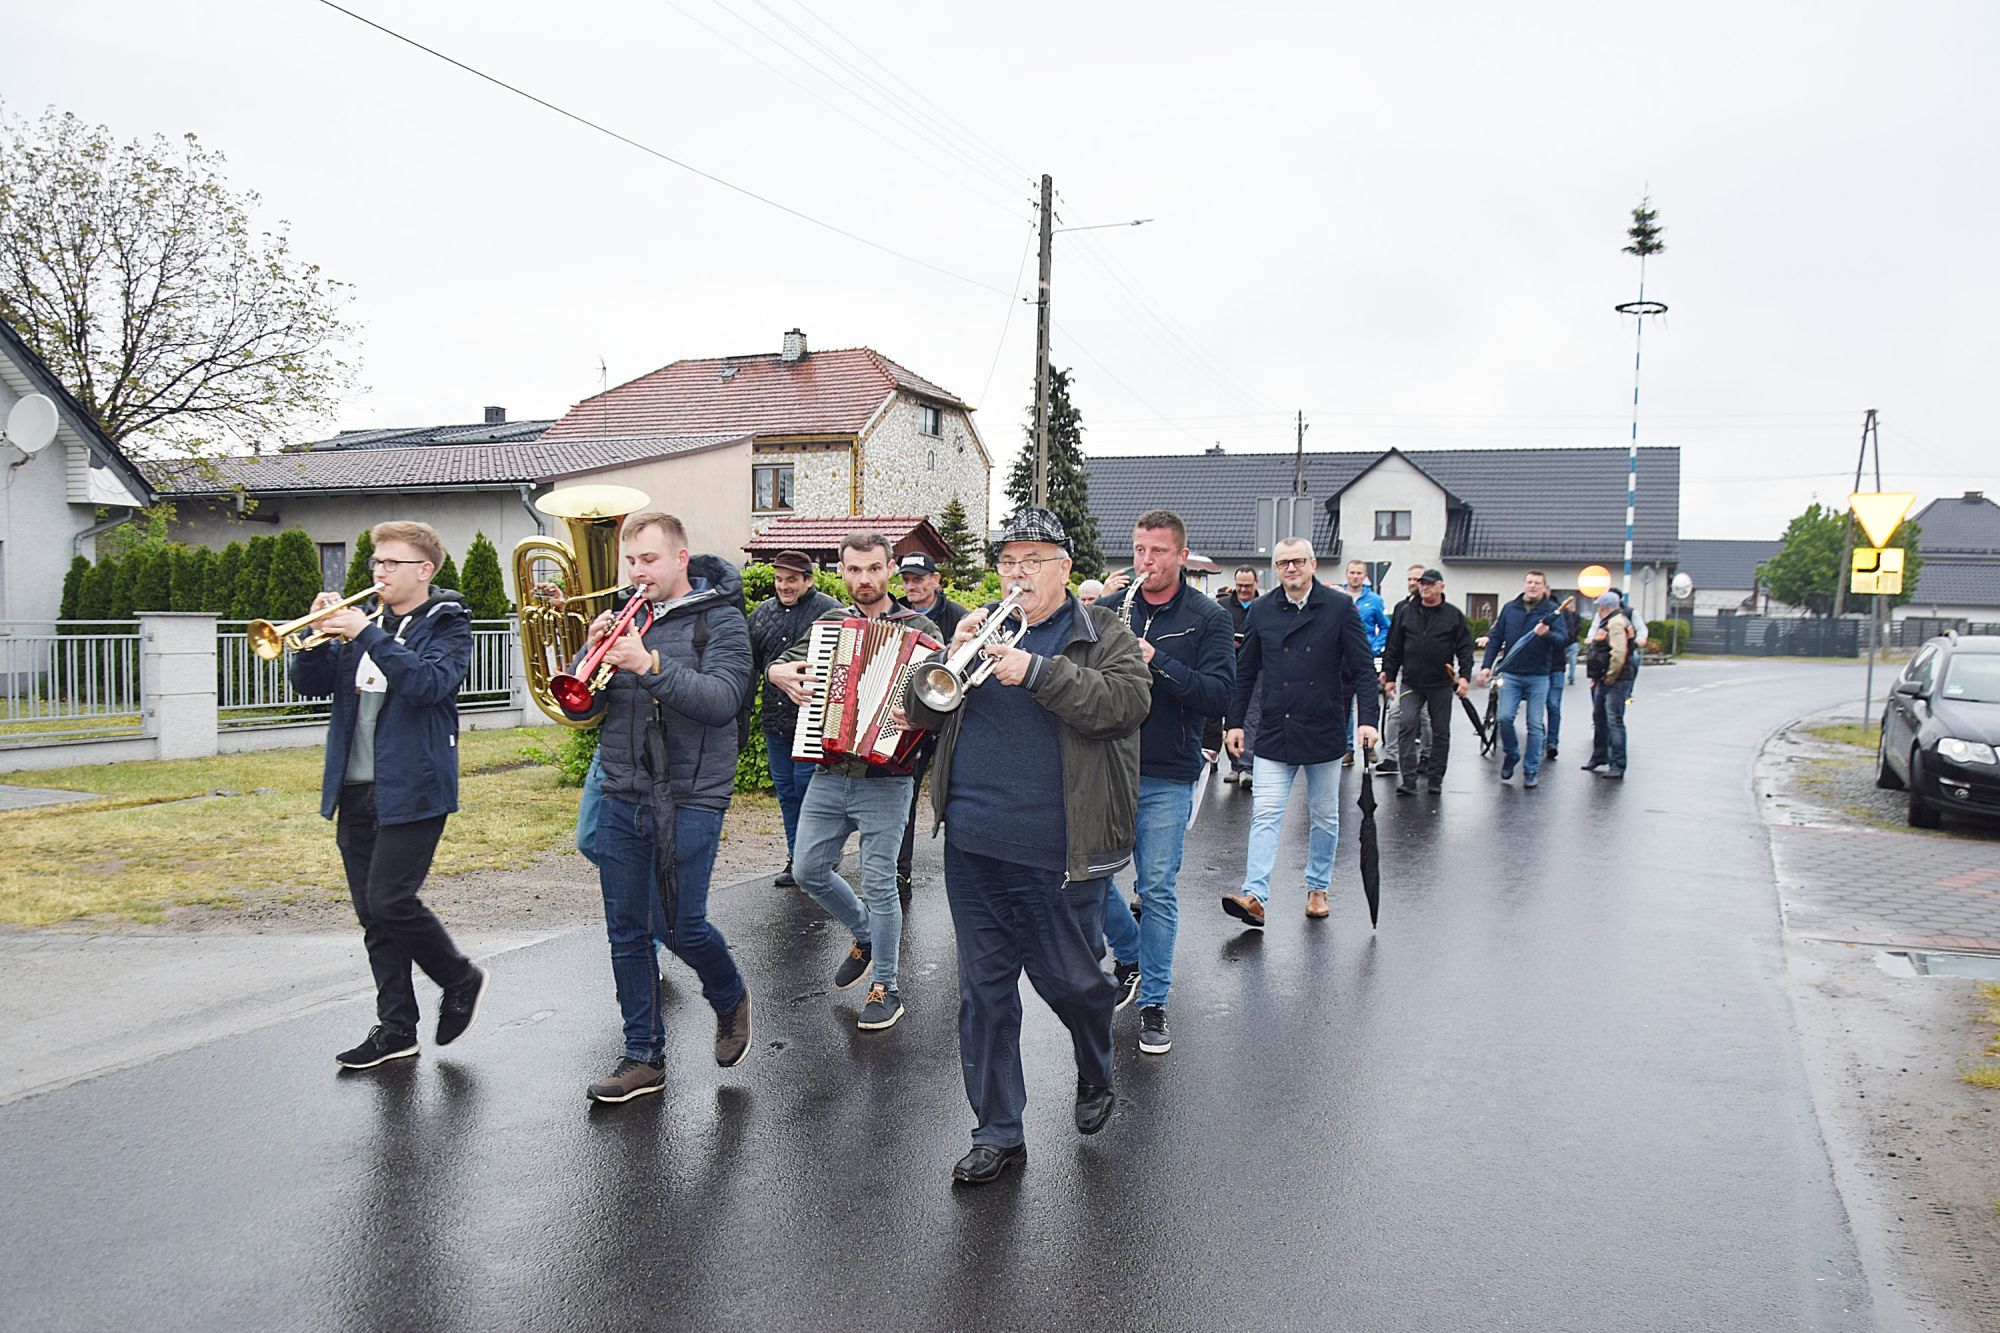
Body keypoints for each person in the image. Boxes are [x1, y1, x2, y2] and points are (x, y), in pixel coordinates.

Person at [902, 506, 1150, 1186]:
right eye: (1008, 560)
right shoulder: (980, 626)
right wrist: (946, 656)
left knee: (1074, 982)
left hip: (1058, 849)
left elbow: (1126, 705)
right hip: (974, 844)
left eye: (1033, 560)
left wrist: (1035, 671)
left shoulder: (1102, 631)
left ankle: (1095, 1062)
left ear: (1064, 568)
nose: (1018, 573)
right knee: (983, 994)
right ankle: (998, 1133)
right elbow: (921, 710)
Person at [561, 511, 755, 1103]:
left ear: (680, 558)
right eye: (631, 561)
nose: (636, 571)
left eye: (648, 559)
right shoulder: (628, 616)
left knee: (679, 925)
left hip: (692, 795)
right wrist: (589, 657)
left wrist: (649, 665)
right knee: (626, 929)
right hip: (622, 790)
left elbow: (721, 700)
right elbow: (580, 707)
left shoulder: (722, 620)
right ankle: (643, 1055)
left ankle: (729, 993)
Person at [293, 521, 488, 1071]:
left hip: (414, 787)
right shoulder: (365, 624)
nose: (379, 572)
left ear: (424, 570)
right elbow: (309, 686)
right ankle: (397, 1028)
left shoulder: (448, 622)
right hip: (354, 786)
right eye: (376, 562)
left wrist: (366, 634)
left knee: (391, 901)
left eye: (391, 563)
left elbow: (429, 684)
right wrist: (316, 640)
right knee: (373, 916)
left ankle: (459, 977)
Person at [767, 534, 940, 1031]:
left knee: (880, 881)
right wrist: (779, 674)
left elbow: (946, 698)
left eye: (873, 568)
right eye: (854, 570)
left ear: (889, 570)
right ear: (841, 573)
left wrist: (921, 715)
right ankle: (865, 933)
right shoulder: (829, 625)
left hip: (888, 776)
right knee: (808, 870)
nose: (864, 579)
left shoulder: (921, 630)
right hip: (829, 769)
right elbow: (783, 664)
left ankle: (887, 986)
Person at [1095, 510, 1234, 1056]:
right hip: (1107, 765)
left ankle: (1154, 1001)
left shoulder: (1208, 617)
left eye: (1157, 552)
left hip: (1167, 769)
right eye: (1138, 550)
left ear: (1181, 556)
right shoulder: (1111, 608)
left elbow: (1218, 694)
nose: (1145, 562)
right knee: (1085, 877)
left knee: (1155, 888)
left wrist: (1158, 661)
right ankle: (1130, 952)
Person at [1221, 538, 1379, 927]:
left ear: (1313, 564)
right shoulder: (1261, 610)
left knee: (1324, 817)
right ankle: (1255, 895)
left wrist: (1368, 719)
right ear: (1275, 569)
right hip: (1276, 729)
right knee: (1265, 813)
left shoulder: (1339, 607)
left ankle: (1318, 887)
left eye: (1297, 561)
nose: (1290, 569)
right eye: (1282, 563)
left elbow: (1363, 668)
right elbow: (1246, 672)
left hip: (1323, 727)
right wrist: (1234, 723)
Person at [746, 550, 839, 888]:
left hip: (813, 718)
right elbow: (751, 665)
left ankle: (821, 858)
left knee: (810, 790)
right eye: (779, 579)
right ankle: (796, 857)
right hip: (776, 719)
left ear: (808, 580)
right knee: (786, 792)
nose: (784, 586)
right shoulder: (761, 614)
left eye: (792, 580)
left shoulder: (830, 612)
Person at [894, 551, 964, 905]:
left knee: (955, 795)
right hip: (913, 722)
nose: (911, 586)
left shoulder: (959, 617)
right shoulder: (897, 615)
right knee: (904, 792)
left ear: (936, 580)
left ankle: (963, 871)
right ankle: (900, 870)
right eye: (906, 580)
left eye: (919, 579)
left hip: (951, 723)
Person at [1379, 569, 1474, 796]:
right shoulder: (1406, 612)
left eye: (1429, 584)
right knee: (1406, 724)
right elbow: (1394, 646)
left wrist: (1464, 676)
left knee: (1440, 731)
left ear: (1441, 586)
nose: (1424, 588)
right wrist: (1389, 676)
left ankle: (1435, 778)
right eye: (1422, 584)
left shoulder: (1453, 615)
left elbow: (1465, 648)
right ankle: (1408, 779)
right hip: (1411, 682)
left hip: (1440, 683)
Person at [1475, 570, 1572, 788]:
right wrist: (1486, 666)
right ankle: (1512, 754)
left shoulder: (1552, 611)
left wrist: (1546, 634)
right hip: (1512, 672)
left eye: (1537, 583)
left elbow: (1562, 641)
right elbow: (1496, 638)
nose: (1533, 586)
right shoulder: (1510, 608)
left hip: (1539, 674)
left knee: (1535, 725)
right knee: (1504, 718)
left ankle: (1531, 770)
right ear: (1524, 584)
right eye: (1529, 582)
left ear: (1544, 587)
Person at [1377, 562, 1431, 777]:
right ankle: (1391, 757)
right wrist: (1388, 669)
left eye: (1417, 579)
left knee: (1425, 716)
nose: (1413, 583)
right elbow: (1394, 641)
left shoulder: (1433, 608)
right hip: (1405, 671)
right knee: (1394, 712)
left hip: (1428, 674)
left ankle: (1426, 756)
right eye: (1409, 579)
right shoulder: (1402, 607)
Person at [1339, 560, 1392, 767]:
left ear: (1365, 576)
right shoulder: (1338, 597)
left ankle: (1369, 744)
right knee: (1344, 705)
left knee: (1367, 701)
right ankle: (1347, 748)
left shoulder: (1374, 600)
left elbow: (1386, 627)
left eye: (1359, 573)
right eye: (1352, 572)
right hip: (1341, 658)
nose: (1355, 576)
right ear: (1346, 574)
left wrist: (1374, 648)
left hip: (1363, 657)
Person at [1583, 591, 1639, 778]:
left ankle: (1617, 765)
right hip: (1604, 678)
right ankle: (1599, 756)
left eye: (1599, 606)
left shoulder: (1615, 623)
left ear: (1604, 607)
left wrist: (1610, 676)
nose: (1598, 609)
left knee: (1614, 721)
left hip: (1615, 679)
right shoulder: (1613, 620)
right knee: (1599, 717)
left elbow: (1618, 653)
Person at [1217, 565, 1260, 785]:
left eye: (1248, 586)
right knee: (1229, 716)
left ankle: (1247, 765)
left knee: (1250, 718)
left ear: (1256, 584)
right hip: (1228, 668)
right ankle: (1234, 764)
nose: (1243, 590)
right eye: (1239, 585)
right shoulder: (1223, 606)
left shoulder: (1262, 607)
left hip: (1254, 671)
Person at [1544, 596, 1581, 761]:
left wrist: (1549, 635)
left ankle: (1552, 742)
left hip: (1556, 666)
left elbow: (1569, 637)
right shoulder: (1529, 611)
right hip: (1535, 668)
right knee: (1535, 709)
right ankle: (1540, 737)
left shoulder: (1562, 614)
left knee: (1553, 705)